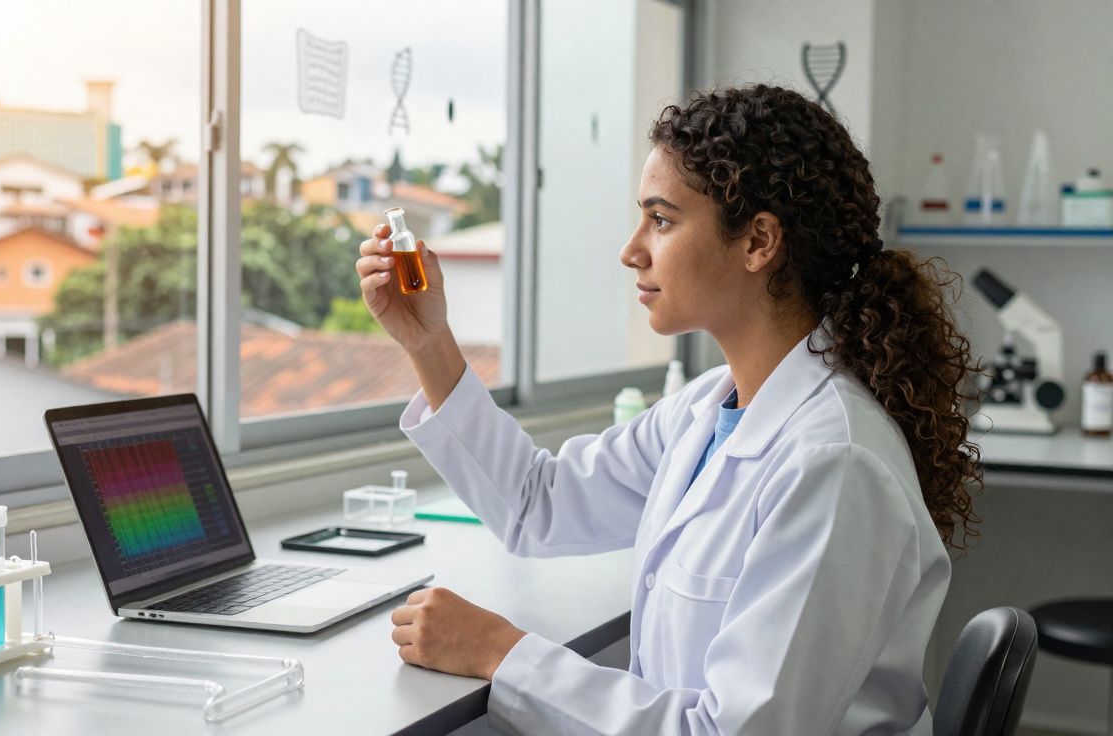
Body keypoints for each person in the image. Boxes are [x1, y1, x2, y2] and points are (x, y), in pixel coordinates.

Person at [355, 84, 981, 735]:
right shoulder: (707, 411)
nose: (632, 250)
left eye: (661, 219)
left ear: (759, 241)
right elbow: (538, 504)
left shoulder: (833, 463)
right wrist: (428, 342)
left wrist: (500, 652)